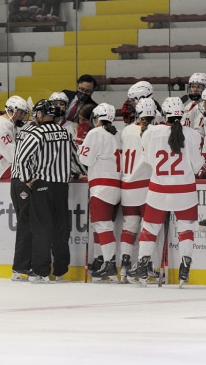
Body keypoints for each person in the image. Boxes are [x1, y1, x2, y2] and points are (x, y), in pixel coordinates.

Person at [126, 97, 205, 287]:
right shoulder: (193, 135)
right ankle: (185, 266)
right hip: (185, 192)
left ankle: (143, 264)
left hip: (158, 190)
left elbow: (148, 160)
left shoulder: (151, 133)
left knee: (150, 229)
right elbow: (197, 166)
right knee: (186, 228)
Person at [17, 99, 87, 283]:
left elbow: (22, 159)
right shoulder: (65, 133)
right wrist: (83, 173)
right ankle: (61, 270)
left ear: (41, 114)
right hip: (61, 187)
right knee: (60, 229)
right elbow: (76, 159)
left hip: (42, 186)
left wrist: (27, 180)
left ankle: (41, 271)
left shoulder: (37, 133)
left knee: (41, 229)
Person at [78, 103, 121, 282]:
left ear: (95, 118)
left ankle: (109, 262)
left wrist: (81, 147)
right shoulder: (117, 134)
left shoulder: (95, 133)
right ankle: (102, 259)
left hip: (101, 186)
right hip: (117, 186)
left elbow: (84, 158)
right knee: (102, 226)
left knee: (103, 226)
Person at [119, 97, 158, 283]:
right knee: (147, 227)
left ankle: (125, 266)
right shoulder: (153, 132)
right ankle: (146, 265)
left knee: (129, 227)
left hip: (126, 185)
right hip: (145, 185)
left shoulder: (126, 130)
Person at [10, 116, 37, 282]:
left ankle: (22, 266)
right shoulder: (33, 131)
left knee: (25, 224)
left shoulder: (24, 129)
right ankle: (21, 267)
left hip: (17, 181)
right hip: (22, 182)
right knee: (26, 225)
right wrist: (27, 178)